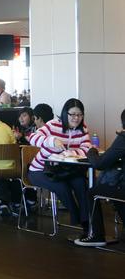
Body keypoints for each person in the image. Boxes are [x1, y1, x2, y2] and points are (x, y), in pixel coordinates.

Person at [28, 98, 92, 232]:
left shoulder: (82, 128)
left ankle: (87, 223)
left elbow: (87, 147)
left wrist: (70, 153)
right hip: (40, 170)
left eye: (79, 115)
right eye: (72, 114)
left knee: (81, 183)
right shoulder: (53, 125)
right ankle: (78, 219)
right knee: (62, 186)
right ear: (65, 113)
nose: (76, 118)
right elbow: (32, 138)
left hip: (65, 170)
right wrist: (52, 141)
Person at [75, 109, 125, 247]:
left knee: (92, 192)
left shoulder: (123, 139)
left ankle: (97, 236)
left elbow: (100, 164)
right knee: (115, 191)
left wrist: (91, 151)